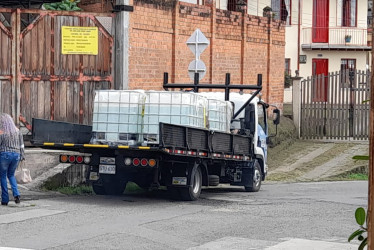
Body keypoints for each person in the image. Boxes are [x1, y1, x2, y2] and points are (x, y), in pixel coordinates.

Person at [0, 113, 25, 206]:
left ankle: (5, 199)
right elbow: (22, 145)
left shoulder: (2, 132)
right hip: (16, 155)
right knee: (11, 175)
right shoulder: (18, 131)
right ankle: (16, 194)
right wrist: (22, 155)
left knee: (2, 176)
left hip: (5, 155)